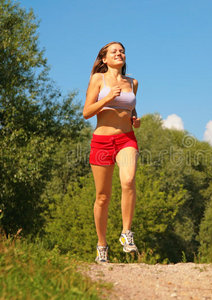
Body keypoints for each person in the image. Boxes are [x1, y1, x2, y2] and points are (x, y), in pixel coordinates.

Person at [83, 42, 141, 263]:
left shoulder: (132, 83)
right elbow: (86, 112)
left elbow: (131, 108)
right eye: (114, 51)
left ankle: (126, 233)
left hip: (126, 139)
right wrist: (107, 99)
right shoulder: (98, 79)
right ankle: (101, 245)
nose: (120, 53)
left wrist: (135, 119)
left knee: (128, 181)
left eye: (122, 51)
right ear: (104, 58)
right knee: (102, 197)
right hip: (102, 141)